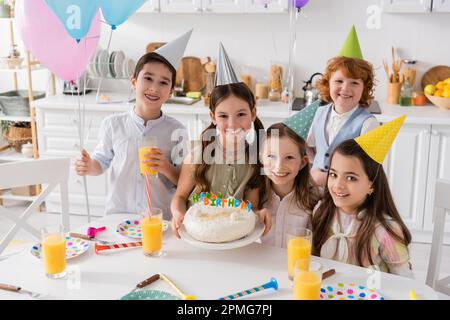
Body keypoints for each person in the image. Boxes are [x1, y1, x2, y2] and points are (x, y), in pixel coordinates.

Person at [75, 31, 192, 219]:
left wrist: (165, 167)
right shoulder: (113, 125)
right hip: (120, 217)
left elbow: (184, 182)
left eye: (163, 82)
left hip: (160, 218)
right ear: (133, 82)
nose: (154, 87)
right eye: (148, 78)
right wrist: (90, 166)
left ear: (170, 92)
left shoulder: (177, 131)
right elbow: (101, 162)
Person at [171, 43, 270, 238]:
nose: (232, 124)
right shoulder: (200, 154)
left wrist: (260, 215)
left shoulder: (256, 160)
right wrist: (178, 213)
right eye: (223, 116)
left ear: (253, 114)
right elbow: (180, 197)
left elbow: (253, 208)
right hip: (195, 238)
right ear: (213, 117)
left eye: (241, 114)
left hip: (236, 242)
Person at [312, 116, 413, 277]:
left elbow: (405, 281)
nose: (338, 185)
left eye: (351, 177)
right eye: (333, 174)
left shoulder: (384, 229)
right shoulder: (322, 211)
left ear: (371, 184)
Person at [307, 25, 379, 187]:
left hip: (347, 196)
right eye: (339, 81)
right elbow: (309, 147)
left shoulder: (368, 125)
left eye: (354, 83)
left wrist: (327, 178)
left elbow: (369, 171)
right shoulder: (318, 114)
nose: (345, 88)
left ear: (364, 88)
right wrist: (317, 165)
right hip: (315, 192)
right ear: (328, 83)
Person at [259, 101, 321, 248]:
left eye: (289, 158)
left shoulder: (315, 199)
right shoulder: (255, 196)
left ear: (303, 162)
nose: (279, 166)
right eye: (271, 156)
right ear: (261, 158)